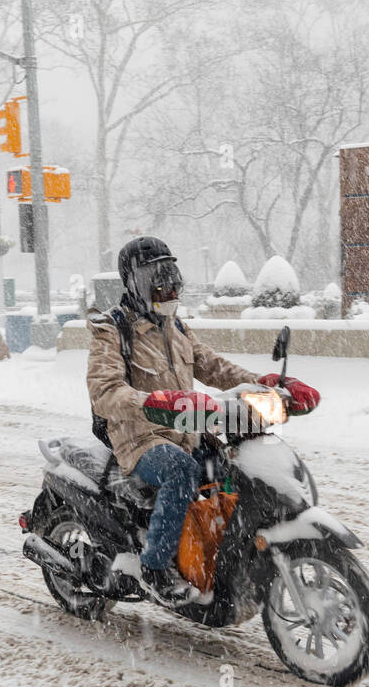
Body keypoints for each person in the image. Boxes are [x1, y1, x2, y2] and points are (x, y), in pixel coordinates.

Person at [86, 236, 317, 605]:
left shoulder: (176, 328)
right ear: (132, 282)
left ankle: (214, 558)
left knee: (227, 470)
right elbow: (105, 392)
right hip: (139, 437)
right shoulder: (113, 330)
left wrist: (265, 383)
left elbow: (213, 366)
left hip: (187, 428)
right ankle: (155, 567)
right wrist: (153, 403)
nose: (168, 286)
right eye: (156, 278)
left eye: (171, 275)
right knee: (181, 472)